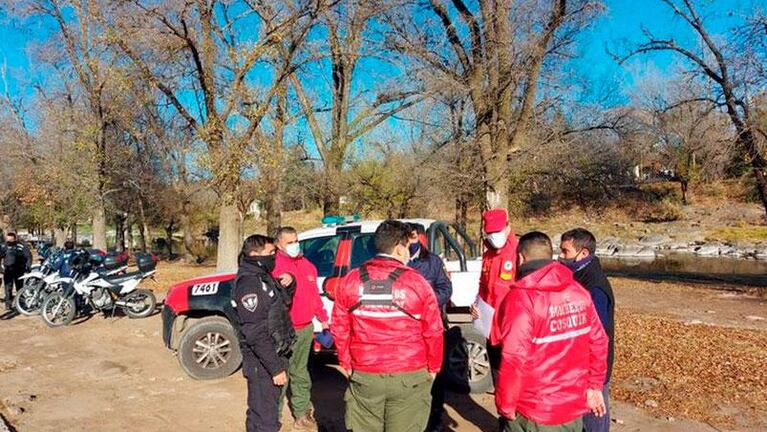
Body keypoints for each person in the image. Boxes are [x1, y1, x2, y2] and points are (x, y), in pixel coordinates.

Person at [332, 220, 444, 432]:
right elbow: (434, 331)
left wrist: (346, 362)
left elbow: (339, 326)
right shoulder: (417, 282)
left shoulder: (351, 280)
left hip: (365, 374)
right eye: (408, 247)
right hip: (409, 374)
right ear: (400, 247)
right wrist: (434, 368)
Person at [494, 231, 608, 432]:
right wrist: (594, 385)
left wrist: (506, 404)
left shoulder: (521, 299)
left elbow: (514, 358)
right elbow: (599, 341)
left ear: (520, 258)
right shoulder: (577, 291)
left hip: (535, 410)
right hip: (572, 407)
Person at [231, 235, 297, 432]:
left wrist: (291, 283)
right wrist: (275, 368)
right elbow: (255, 332)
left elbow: (281, 304)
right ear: (254, 254)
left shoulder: (263, 277)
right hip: (262, 362)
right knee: (265, 418)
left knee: (264, 413)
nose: (274, 257)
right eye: (270, 253)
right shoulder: (249, 284)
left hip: (272, 354)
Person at [273, 226, 329, 431]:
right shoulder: (274, 266)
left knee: (300, 373)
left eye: (296, 240)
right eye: (289, 242)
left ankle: (302, 414)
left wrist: (322, 319)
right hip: (283, 330)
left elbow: (314, 296)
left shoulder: (307, 266)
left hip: (305, 329)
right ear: (279, 244)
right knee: (280, 375)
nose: (294, 245)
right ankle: (273, 417)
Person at [559, 228, 615, 432]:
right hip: (577, 365)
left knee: (594, 421)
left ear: (583, 253)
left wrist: (594, 381)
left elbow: (598, 336)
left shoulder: (594, 287)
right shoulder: (576, 276)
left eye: (565, 252)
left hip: (592, 369)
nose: (561, 256)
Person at [406, 223, 453, 432]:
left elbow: (446, 288)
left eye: (414, 237)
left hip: (432, 327)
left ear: (421, 238)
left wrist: (428, 302)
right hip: (407, 333)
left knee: (436, 376)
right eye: (407, 238)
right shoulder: (396, 263)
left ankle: (434, 420)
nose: (410, 242)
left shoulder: (432, 261)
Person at [469, 208, 519, 383]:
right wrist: (475, 305)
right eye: (490, 232)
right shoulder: (488, 255)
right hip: (490, 328)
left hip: (512, 328)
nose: (494, 236)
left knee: (514, 380)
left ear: (507, 227)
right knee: (498, 377)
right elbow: (483, 287)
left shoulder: (519, 253)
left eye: (497, 231)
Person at [1, 232, 32, 310]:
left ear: (15, 239)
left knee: (20, 288)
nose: (9, 241)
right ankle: (8, 304)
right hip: (8, 270)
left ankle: (20, 304)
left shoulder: (21, 246)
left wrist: (28, 266)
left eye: (11, 240)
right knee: (8, 288)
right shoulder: (3, 246)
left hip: (19, 270)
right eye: (7, 239)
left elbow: (28, 256)